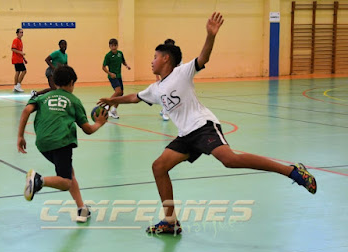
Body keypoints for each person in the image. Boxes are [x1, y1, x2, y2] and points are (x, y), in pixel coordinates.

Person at [98, 12, 317, 235]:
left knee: (230, 160)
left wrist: (210, 35)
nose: (151, 61)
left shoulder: (182, 73)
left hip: (202, 126)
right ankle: (170, 221)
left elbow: (203, 57)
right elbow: (135, 96)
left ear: (165, 58)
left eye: (154, 56)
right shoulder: (155, 88)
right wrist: (113, 100)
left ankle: (292, 171)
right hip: (186, 135)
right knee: (159, 166)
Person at [17, 65, 108, 223]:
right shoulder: (74, 101)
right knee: (65, 182)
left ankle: (82, 209)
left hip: (42, 143)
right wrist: (99, 123)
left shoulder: (42, 97)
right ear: (72, 82)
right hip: (61, 142)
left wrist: (20, 136)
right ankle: (38, 180)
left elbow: (25, 111)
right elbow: (87, 129)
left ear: (54, 81)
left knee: (69, 174)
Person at [102, 38, 131, 119]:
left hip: (119, 76)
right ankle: (107, 106)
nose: (114, 47)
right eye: (112, 46)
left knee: (121, 93)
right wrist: (110, 73)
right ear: (109, 46)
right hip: (112, 77)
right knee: (118, 91)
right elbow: (103, 67)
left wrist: (126, 65)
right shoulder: (108, 56)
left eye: (115, 45)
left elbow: (123, 61)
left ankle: (114, 111)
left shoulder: (120, 53)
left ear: (117, 46)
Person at [156, 39, 182, 121]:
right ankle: (165, 112)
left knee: (173, 96)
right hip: (165, 79)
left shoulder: (177, 56)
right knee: (166, 95)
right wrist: (157, 79)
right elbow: (157, 67)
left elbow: (181, 67)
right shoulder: (161, 56)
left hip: (175, 78)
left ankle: (163, 110)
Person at [12, 28, 27, 92]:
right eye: (20, 32)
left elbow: (20, 50)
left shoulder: (20, 41)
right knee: (24, 71)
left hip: (20, 59)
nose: (22, 34)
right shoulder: (15, 40)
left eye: (22, 32)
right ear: (17, 33)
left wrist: (24, 58)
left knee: (18, 72)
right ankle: (18, 85)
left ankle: (16, 87)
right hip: (16, 59)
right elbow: (13, 49)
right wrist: (21, 53)